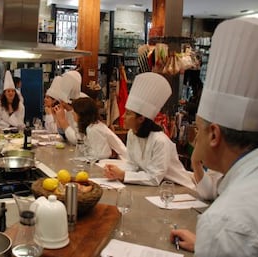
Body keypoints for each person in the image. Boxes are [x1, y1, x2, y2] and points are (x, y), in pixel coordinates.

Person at [170, 17, 258, 257]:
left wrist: (215, 239)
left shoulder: (223, 222)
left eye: (197, 129)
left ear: (214, 135)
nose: (193, 138)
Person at [103, 72, 195, 189]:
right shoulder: (132, 134)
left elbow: (154, 177)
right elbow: (132, 165)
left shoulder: (160, 141)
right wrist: (116, 172)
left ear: (141, 118)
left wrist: (123, 175)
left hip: (179, 189)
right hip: (156, 188)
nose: (123, 116)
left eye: (128, 113)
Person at [53, 70, 83, 144]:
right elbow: (63, 135)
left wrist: (62, 120)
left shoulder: (81, 111)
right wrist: (58, 118)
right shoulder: (65, 111)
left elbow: (77, 140)